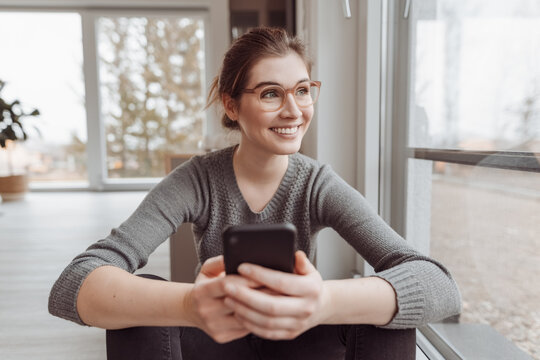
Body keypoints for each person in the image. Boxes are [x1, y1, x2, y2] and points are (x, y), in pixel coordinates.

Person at [49, 27, 461, 360]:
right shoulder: (197, 179)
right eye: (270, 93)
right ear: (231, 106)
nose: (294, 110)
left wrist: (322, 301)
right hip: (215, 340)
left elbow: (438, 284)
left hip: (301, 340)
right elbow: (74, 284)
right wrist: (191, 304)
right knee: (141, 302)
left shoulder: (318, 183)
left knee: (383, 308)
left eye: (302, 90)